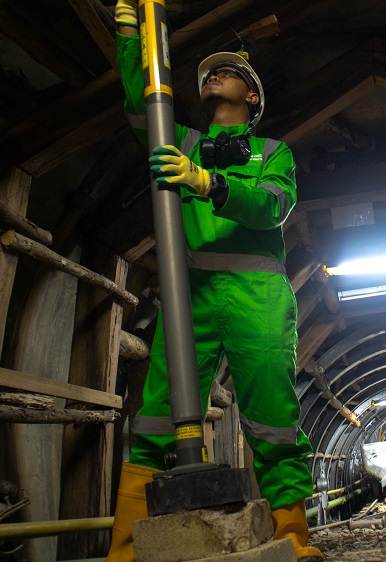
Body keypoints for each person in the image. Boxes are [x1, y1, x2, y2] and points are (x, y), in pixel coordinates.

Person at [107, 2, 321, 561]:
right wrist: (130, 34)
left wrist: (210, 184)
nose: (213, 76)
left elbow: (271, 206)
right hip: (191, 294)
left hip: (258, 298)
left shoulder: (274, 153)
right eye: (207, 73)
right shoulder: (179, 141)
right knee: (157, 413)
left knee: (272, 419)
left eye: (228, 72)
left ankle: (293, 539)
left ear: (252, 97)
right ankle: (125, 549)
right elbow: (140, 101)